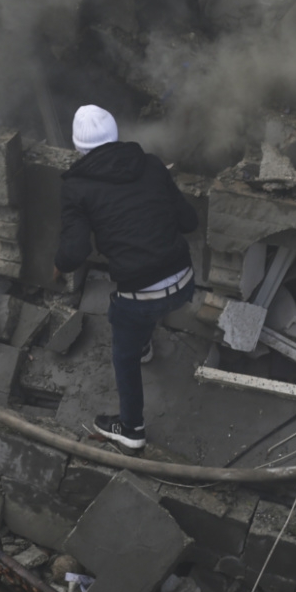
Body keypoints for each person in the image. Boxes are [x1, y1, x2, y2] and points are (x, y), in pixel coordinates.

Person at [54, 104, 199, 451]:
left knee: (124, 354)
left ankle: (131, 430)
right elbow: (189, 222)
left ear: (78, 147)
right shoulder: (150, 165)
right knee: (145, 307)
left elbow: (73, 253)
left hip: (141, 296)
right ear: (116, 134)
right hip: (184, 281)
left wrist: (58, 264)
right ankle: (145, 345)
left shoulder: (77, 187)